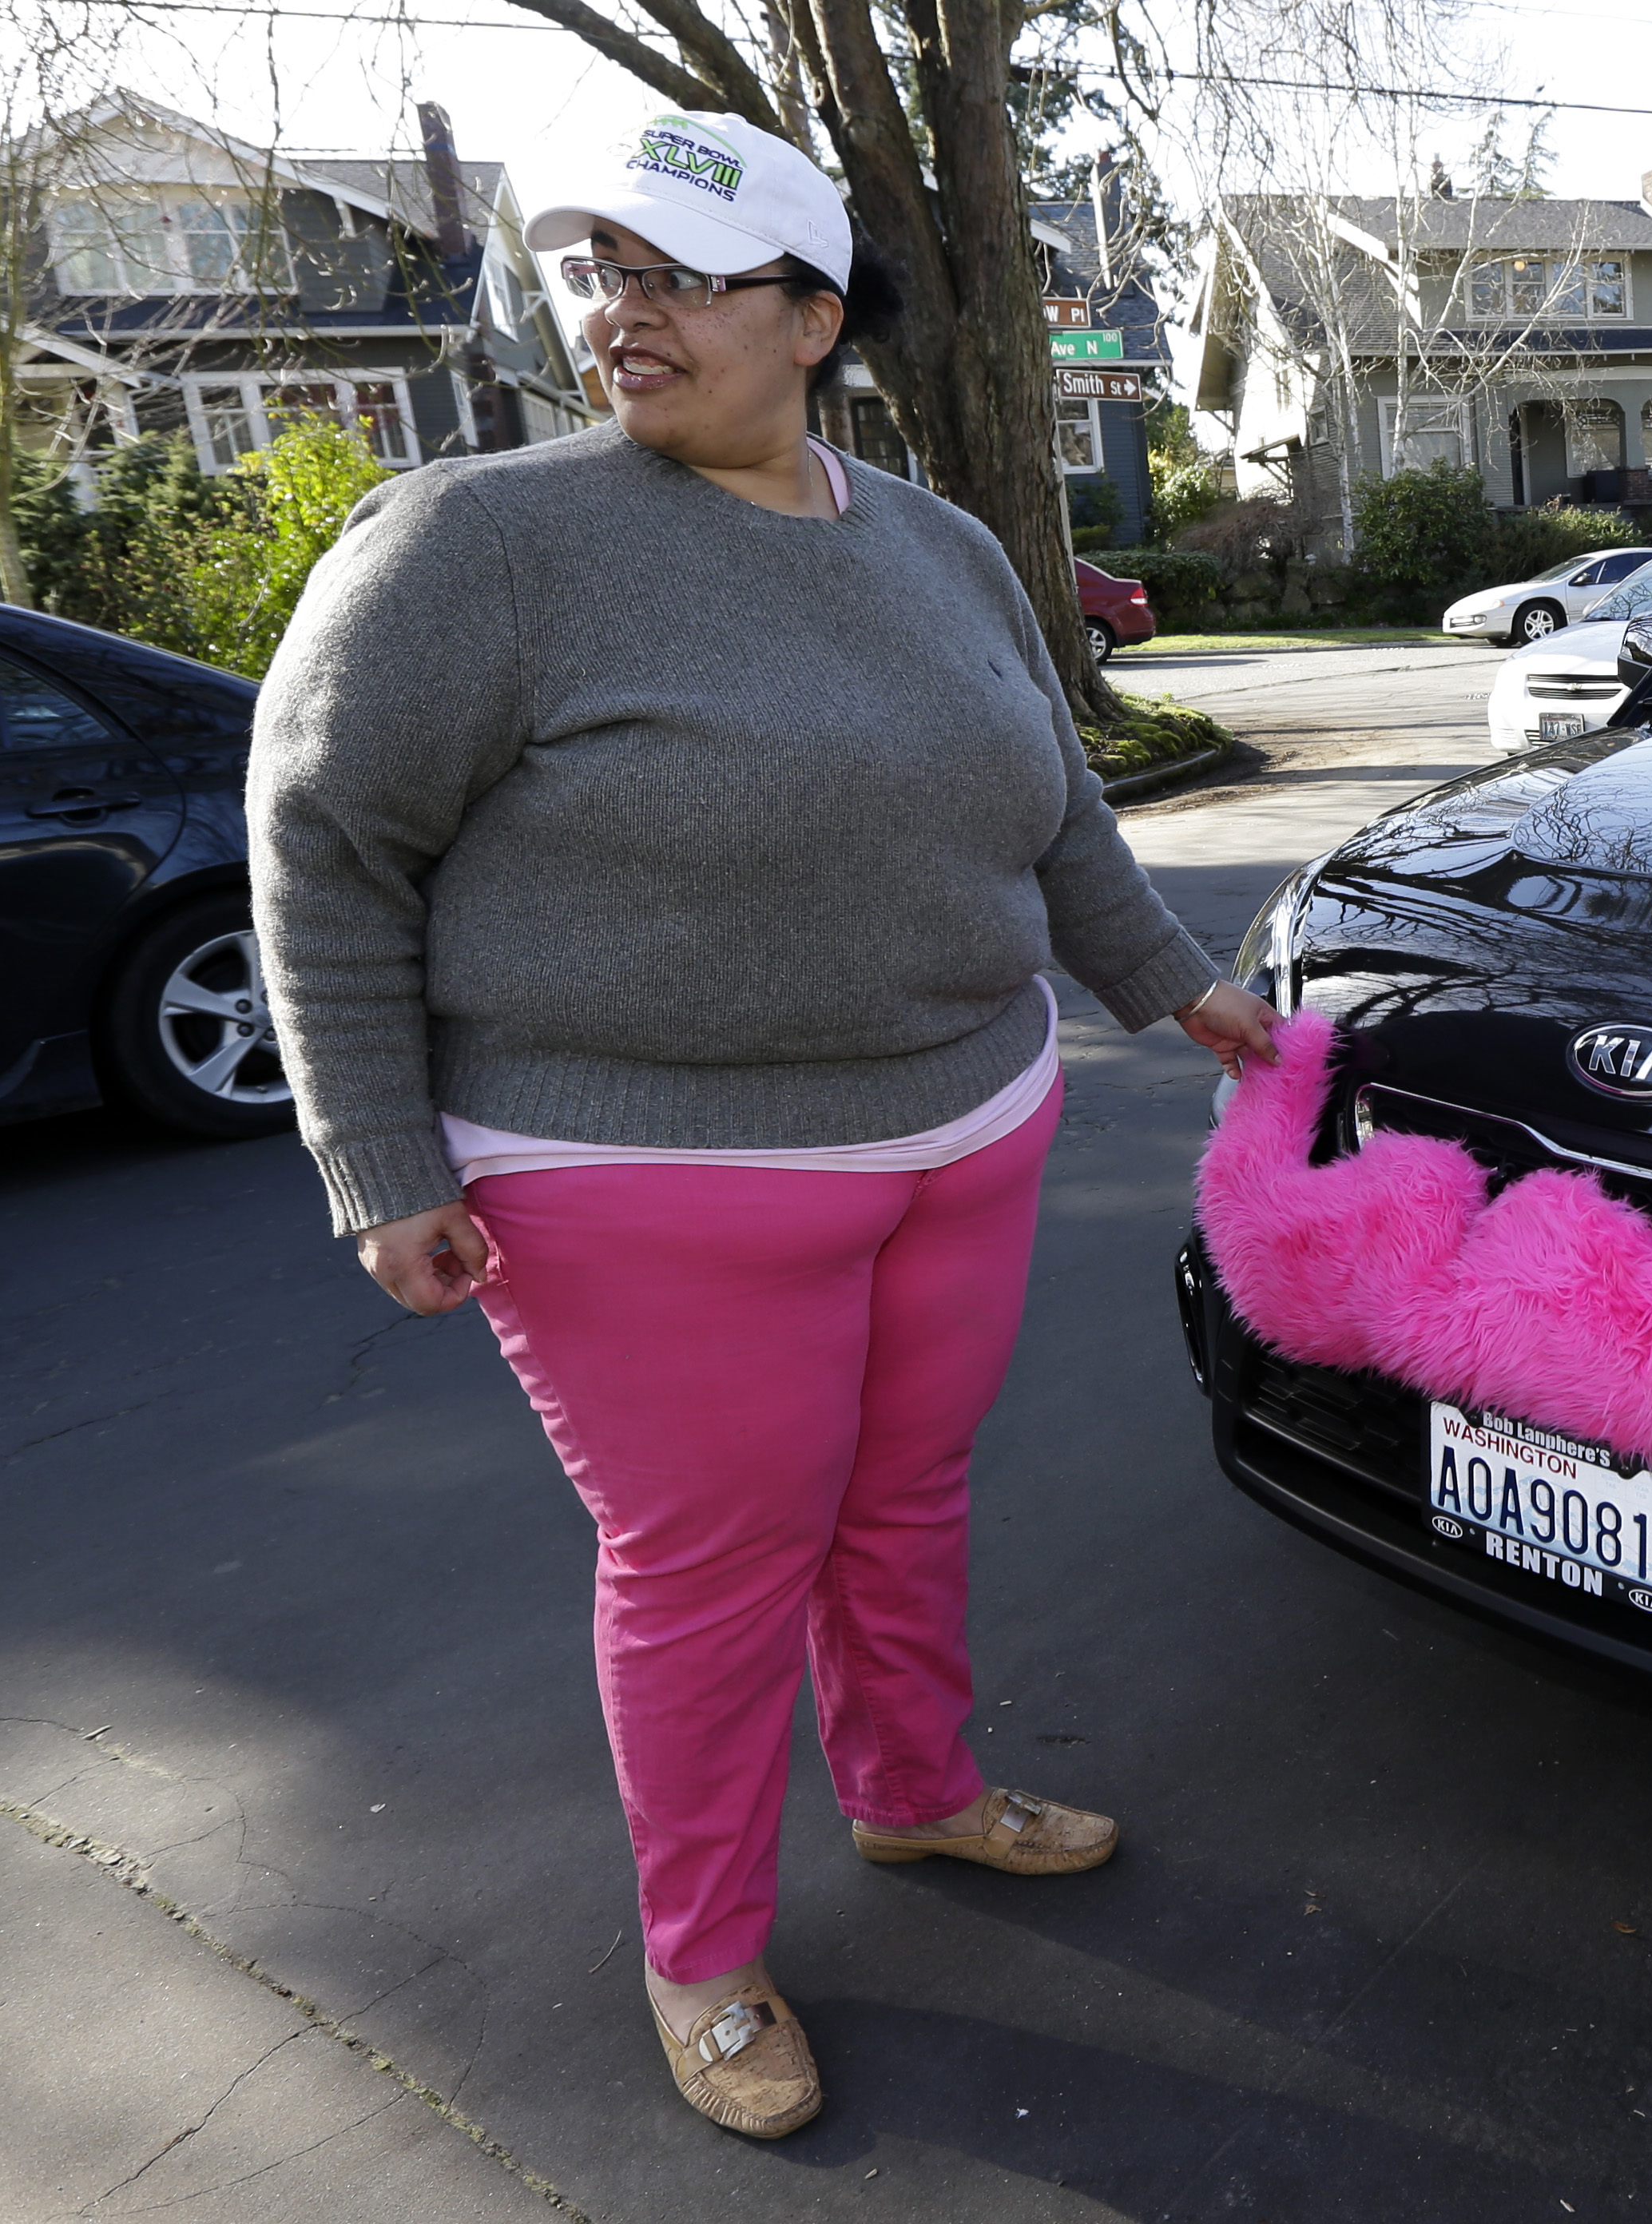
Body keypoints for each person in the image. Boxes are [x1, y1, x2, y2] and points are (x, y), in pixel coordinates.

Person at [248, 107, 1277, 2140]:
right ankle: (704, 1952)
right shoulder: (483, 544)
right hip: (638, 1175)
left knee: (907, 1499)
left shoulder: (945, 544)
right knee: (712, 1570)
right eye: (602, 277)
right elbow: (327, 846)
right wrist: (379, 1162)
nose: (625, 317)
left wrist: (1176, 983)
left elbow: (1056, 807)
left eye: (680, 279)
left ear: (814, 318)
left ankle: (914, 1794)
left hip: (964, 1126)